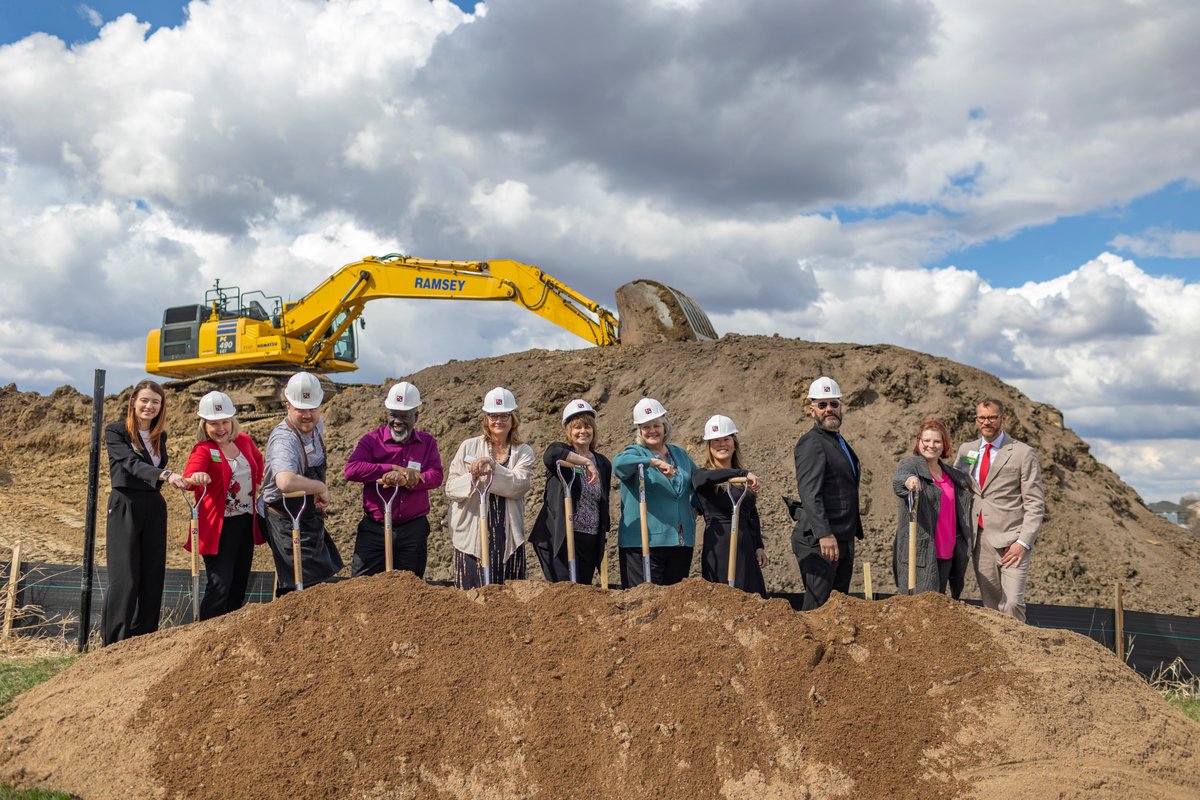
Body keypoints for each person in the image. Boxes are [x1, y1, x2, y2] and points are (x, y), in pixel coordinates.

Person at [102, 379, 194, 645]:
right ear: (133, 402)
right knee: (125, 577)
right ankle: (115, 643)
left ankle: (144, 641)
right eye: (144, 400)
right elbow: (131, 465)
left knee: (153, 574)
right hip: (125, 504)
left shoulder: (159, 437)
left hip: (154, 505)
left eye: (156, 401)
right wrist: (164, 474)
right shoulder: (116, 431)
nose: (149, 406)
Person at [954, 398, 1045, 621]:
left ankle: (1019, 652)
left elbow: (1035, 502)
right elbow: (958, 486)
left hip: (1012, 540)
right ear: (976, 420)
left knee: (1013, 603)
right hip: (979, 539)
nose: (987, 422)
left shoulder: (1022, 453)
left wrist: (1023, 542)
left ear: (1002, 419)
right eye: (982, 418)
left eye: (992, 417)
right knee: (991, 606)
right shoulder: (967, 450)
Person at [343, 381, 444, 578]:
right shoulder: (371, 440)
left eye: (404, 416)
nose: (397, 421)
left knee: (409, 589)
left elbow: (436, 476)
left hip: (412, 531)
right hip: (374, 529)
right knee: (361, 586)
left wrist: (409, 479)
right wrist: (390, 468)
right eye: (393, 415)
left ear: (416, 415)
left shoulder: (428, 442)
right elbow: (351, 470)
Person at [181, 391, 266, 619]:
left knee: (238, 585)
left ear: (232, 421)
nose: (220, 429)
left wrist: (257, 483)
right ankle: (204, 635)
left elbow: (258, 460)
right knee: (220, 585)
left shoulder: (244, 441)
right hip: (219, 528)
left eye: (225, 422)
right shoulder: (204, 450)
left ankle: (228, 638)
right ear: (204, 425)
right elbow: (190, 476)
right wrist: (197, 476)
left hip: (246, 522)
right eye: (214, 424)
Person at [259, 372, 344, 595]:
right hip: (286, 516)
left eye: (312, 408)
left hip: (308, 514)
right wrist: (320, 487)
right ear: (287, 405)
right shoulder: (284, 439)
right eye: (300, 409)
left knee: (317, 579)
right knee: (298, 585)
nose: (307, 415)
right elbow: (285, 482)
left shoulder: (316, 424)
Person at [445, 387, 535, 589]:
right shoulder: (468, 446)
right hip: (472, 535)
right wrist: (474, 477)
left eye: (504, 416)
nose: (499, 421)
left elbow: (518, 485)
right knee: (471, 599)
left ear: (513, 419)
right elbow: (451, 488)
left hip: (507, 535)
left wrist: (493, 467)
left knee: (508, 598)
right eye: (493, 416)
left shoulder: (523, 451)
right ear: (486, 419)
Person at [790, 376, 863, 611]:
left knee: (835, 610)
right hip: (820, 540)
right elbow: (810, 492)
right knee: (817, 610)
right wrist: (825, 534)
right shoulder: (811, 443)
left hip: (841, 537)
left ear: (841, 407)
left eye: (833, 403)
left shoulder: (837, 441)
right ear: (812, 410)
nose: (828, 409)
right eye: (822, 405)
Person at [612, 397, 699, 588]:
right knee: (643, 606)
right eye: (646, 427)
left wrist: (695, 510)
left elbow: (698, 483)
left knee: (672, 606)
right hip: (644, 543)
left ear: (665, 426)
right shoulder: (635, 453)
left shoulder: (680, 454)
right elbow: (618, 465)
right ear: (639, 431)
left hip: (680, 543)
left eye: (656, 425)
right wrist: (654, 462)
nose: (652, 430)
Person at [529, 399, 611, 584]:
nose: (583, 431)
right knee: (564, 592)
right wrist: (585, 462)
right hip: (559, 537)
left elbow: (603, 500)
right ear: (569, 432)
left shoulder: (603, 463)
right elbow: (551, 455)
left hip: (589, 540)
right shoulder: (561, 453)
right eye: (577, 427)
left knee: (582, 594)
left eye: (588, 427)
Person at [891, 418, 973, 598]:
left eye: (937, 441)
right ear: (919, 442)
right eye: (926, 440)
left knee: (937, 609)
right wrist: (910, 481)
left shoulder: (952, 475)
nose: (931, 445)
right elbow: (900, 479)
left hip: (947, 550)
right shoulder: (911, 464)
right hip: (920, 551)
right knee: (917, 608)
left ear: (944, 445)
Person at [692, 414, 768, 597]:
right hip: (719, 546)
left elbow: (751, 514)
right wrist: (741, 472)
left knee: (752, 597)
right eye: (715, 441)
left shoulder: (744, 482)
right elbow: (699, 480)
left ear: (734, 443)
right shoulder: (704, 475)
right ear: (709, 447)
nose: (721, 444)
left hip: (745, 546)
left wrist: (759, 545)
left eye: (726, 439)